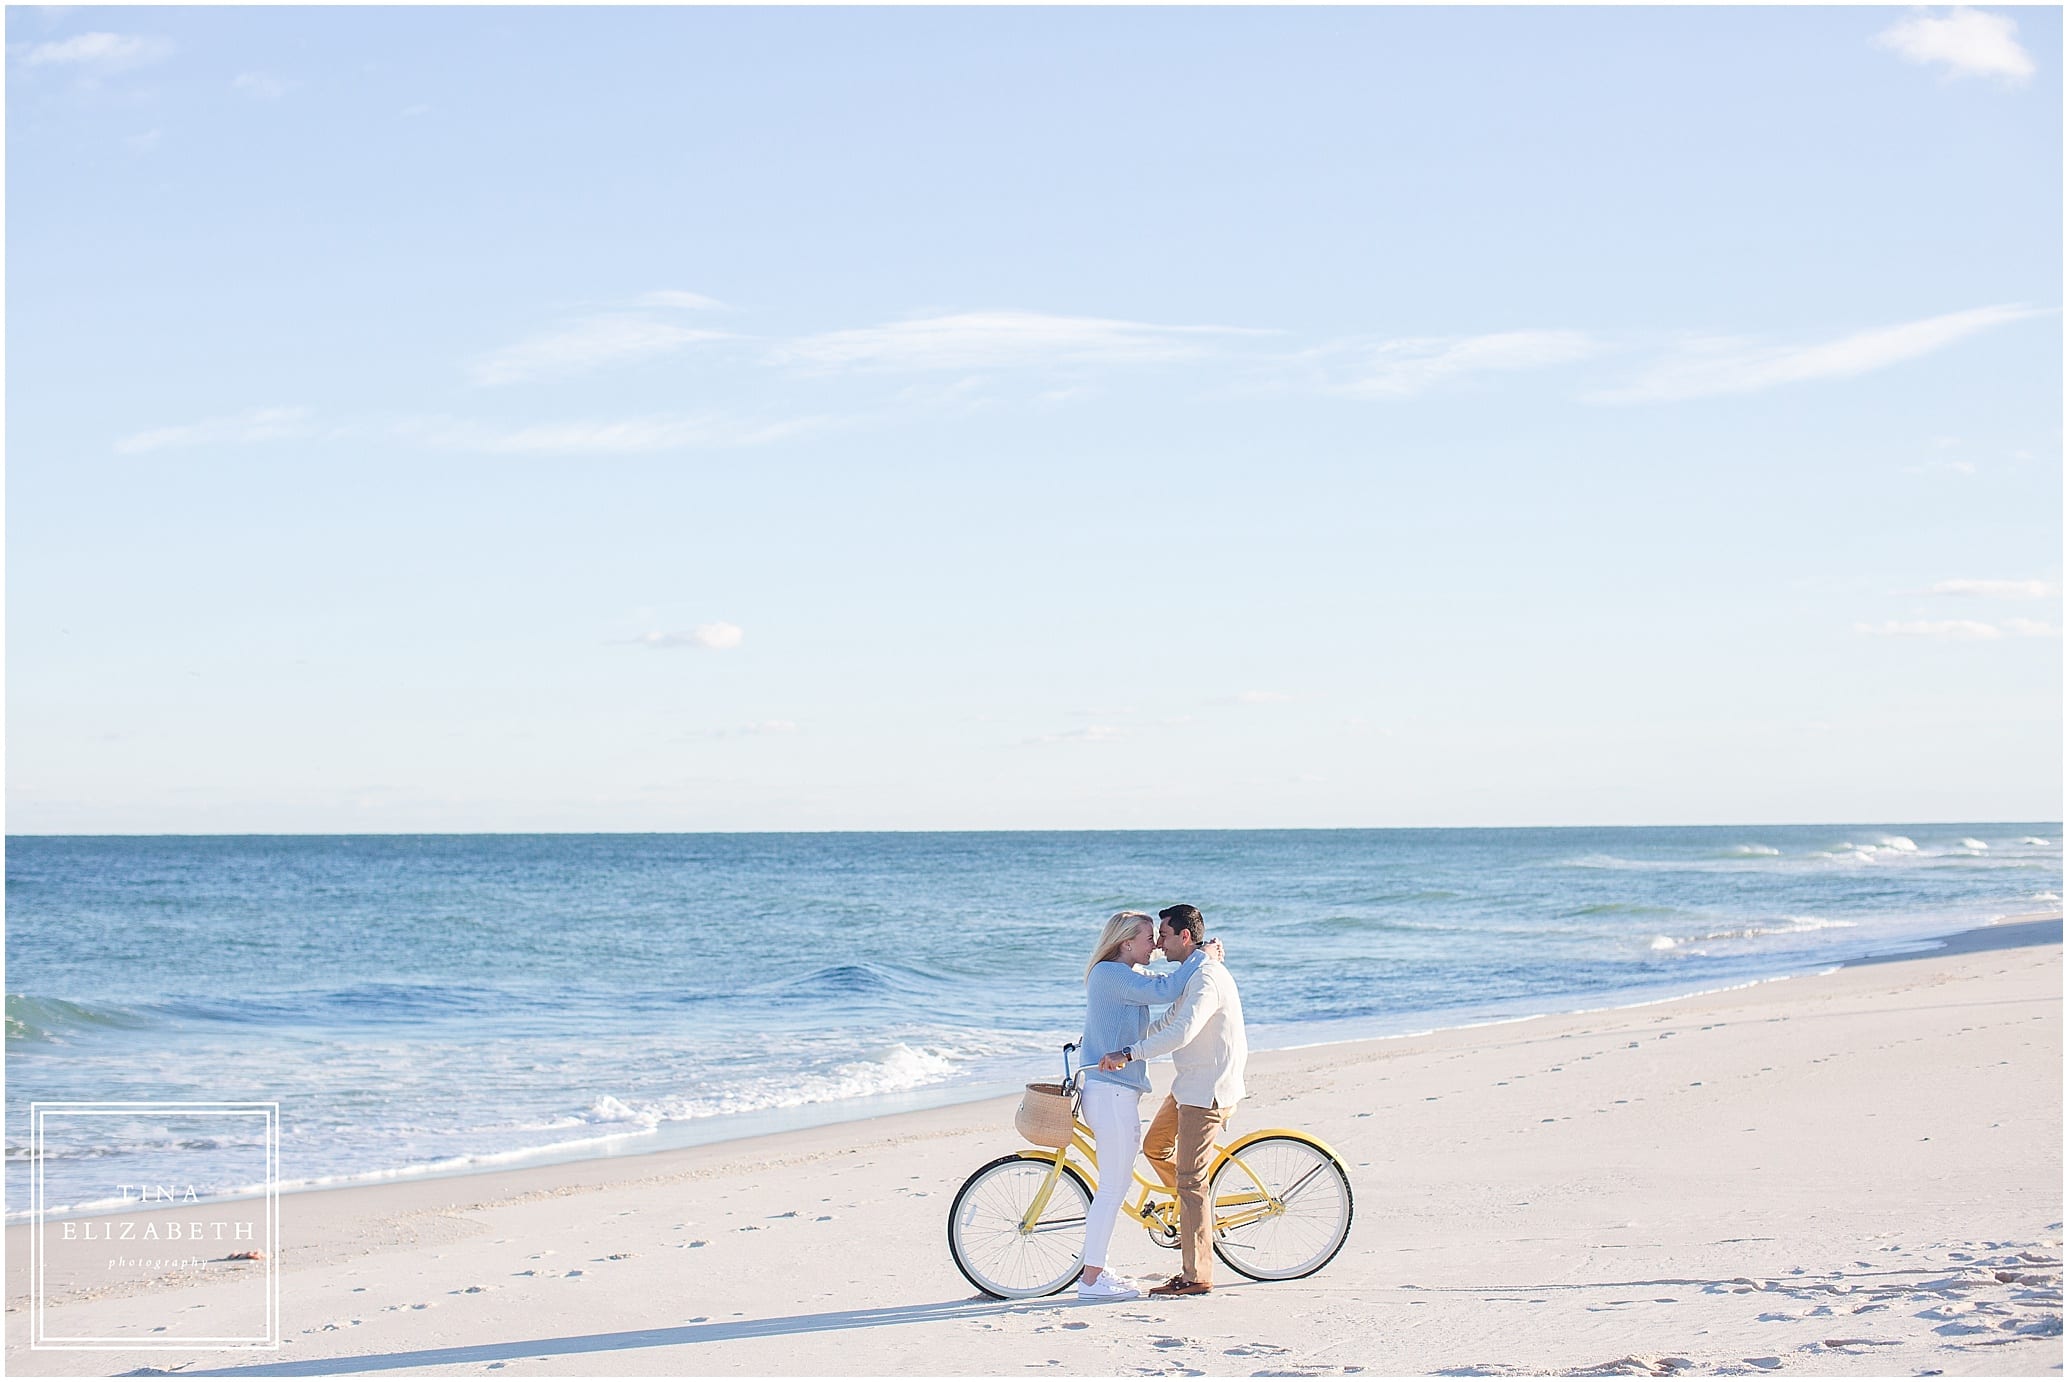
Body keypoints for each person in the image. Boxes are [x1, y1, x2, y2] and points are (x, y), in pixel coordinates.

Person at [1099, 903, 1247, 1298]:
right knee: (1154, 1147)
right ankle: (1196, 1213)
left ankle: (1197, 1274)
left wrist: (1131, 1054)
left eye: (1163, 936)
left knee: (1190, 1179)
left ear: (1184, 937)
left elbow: (1182, 1032)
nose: (1160, 945)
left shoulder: (1206, 978)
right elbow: (1168, 1021)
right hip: (1188, 1085)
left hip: (1208, 1090)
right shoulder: (1195, 973)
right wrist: (1128, 1044)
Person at [1072, 910, 1217, 1302]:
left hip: (1113, 1091)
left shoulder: (1122, 976)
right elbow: (1167, 990)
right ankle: (1091, 1281)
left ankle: (1095, 1271)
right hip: (1111, 1092)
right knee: (1113, 1187)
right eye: (1147, 936)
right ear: (1125, 943)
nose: (1154, 943)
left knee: (1113, 1185)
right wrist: (1204, 957)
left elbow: (1163, 987)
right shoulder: (1111, 974)